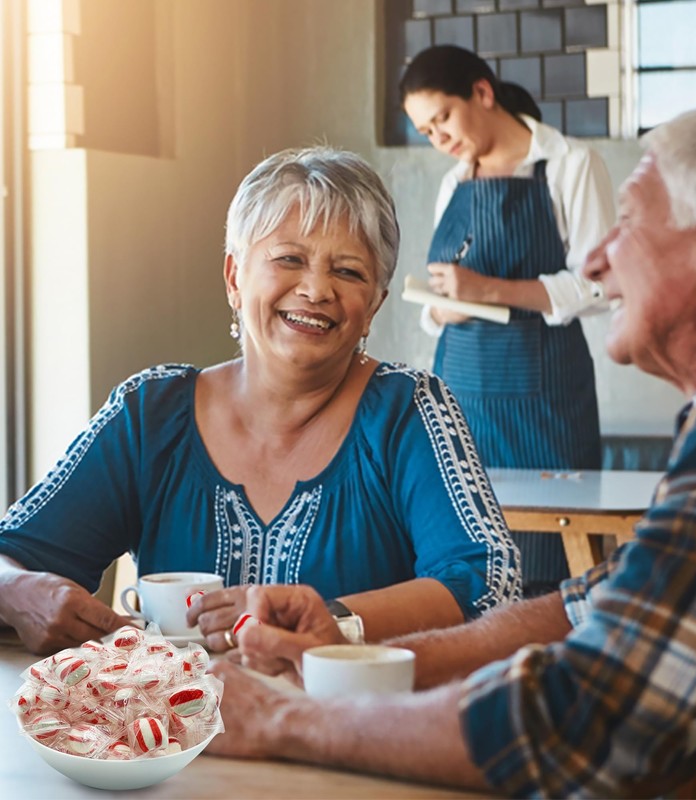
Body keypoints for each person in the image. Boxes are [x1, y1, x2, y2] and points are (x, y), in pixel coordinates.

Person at [203, 100, 696, 798]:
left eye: (630, 222)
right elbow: (585, 608)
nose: (598, 260)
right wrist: (349, 653)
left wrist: (287, 720)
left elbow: (584, 718)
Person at [0, 146, 522, 656]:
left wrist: (335, 621)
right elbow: (12, 554)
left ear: (373, 307)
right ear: (234, 277)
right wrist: (19, 592)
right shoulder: (149, 412)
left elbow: (489, 582)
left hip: (347, 735)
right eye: (289, 259)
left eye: (348, 272)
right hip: (168, 736)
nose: (317, 290)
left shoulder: (409, 410)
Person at [401, 46, 616, 593]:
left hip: (547, 404)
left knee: (552, 566)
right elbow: (443, 304)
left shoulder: (571, 164)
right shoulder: (455, 184)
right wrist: (442, 304)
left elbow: (599, 284)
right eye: (427, 131)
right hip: (463, 399)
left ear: (482, 92)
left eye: (443, 118)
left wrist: (487, 290)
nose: (439, 139)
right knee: (467, 558)